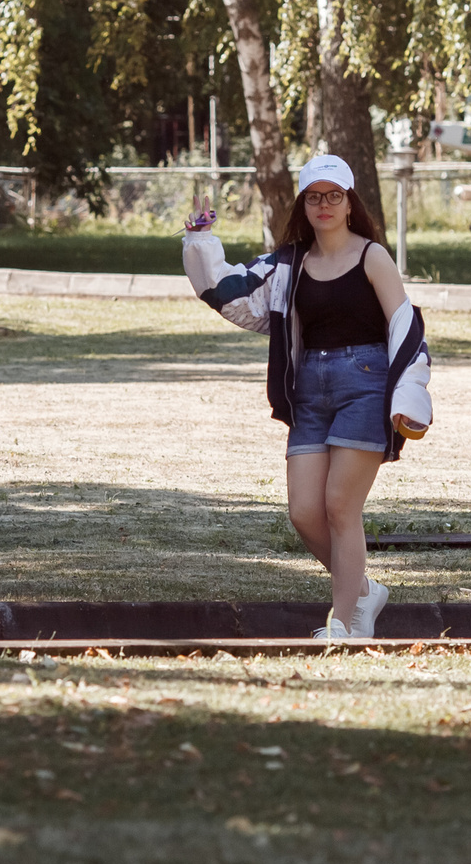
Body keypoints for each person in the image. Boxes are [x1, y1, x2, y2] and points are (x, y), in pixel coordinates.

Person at [181, 155, 433, 641]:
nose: (324, 205)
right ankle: (363, 591)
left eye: (334, 195)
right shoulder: (287, 263)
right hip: (308, 391)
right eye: (314, 196)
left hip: (366, 384)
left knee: (340, 506)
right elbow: (231, 295)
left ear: (349, 203)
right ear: (303, 204)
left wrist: (410, 395)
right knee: (303, 512)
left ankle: (342, 624)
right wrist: (200, 238)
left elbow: (407, 328)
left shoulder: (372, 256)